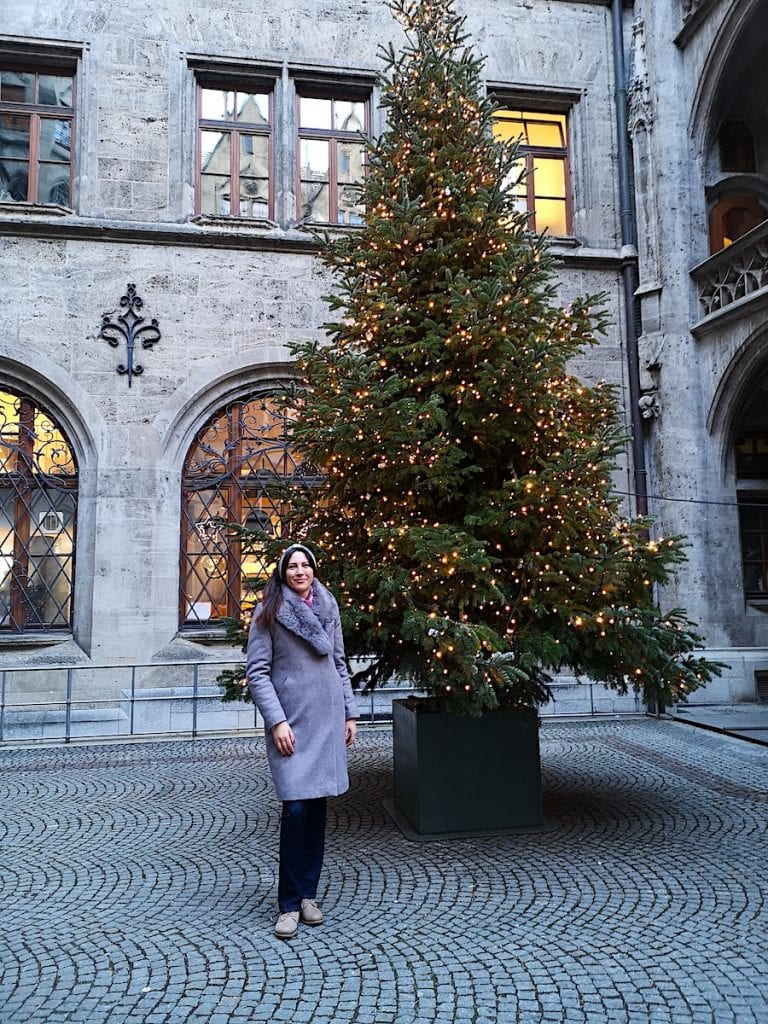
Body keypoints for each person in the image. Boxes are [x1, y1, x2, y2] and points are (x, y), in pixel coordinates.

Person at [246, 543, 359, 939]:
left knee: (316, 812)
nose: (299, 571)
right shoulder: (270, 611)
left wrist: (349, 712)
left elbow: (340, 663)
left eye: (305, 565)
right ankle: (288, 904)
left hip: (327, 721)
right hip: (292, 724)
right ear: (282, 573)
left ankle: (309, 895)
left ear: (313, 569)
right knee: (294, 811)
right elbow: (257, 672)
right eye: (292, 566)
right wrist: (276, 721)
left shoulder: (327, 606)